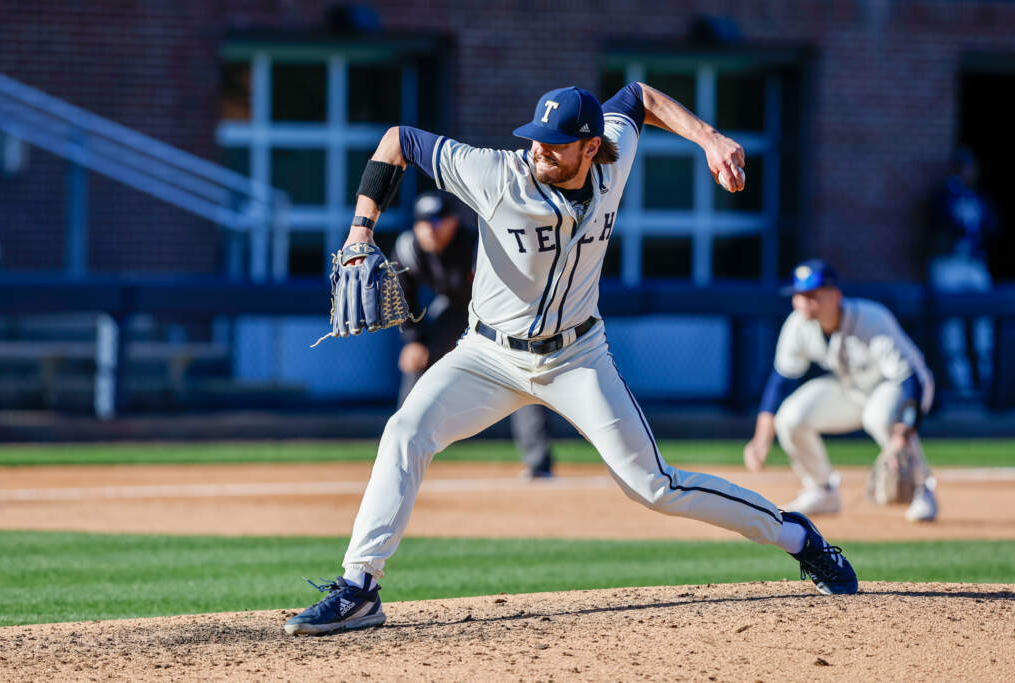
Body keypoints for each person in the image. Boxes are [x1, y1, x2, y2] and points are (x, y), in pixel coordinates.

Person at [285, 83, 858, 636]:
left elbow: (639, 96)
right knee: (405, 430)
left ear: (590, 147)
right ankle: (359, 586)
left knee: (653, 487)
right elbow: (398, 140)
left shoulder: (614, 156)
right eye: (535, 137)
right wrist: (361, 231)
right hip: (486, 356)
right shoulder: (495, 173)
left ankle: (796, 538)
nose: (539, 149)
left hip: (578, 358)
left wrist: (708, 138)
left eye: (555, 143)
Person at [743, 259, 938, 523]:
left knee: (878, 417)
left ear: (835, 295)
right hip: (852, 389)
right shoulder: (798, 325)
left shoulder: (871, 318)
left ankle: (922, 490)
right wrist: (761, 439)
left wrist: (902, 433)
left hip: (900, 388)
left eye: (812, 295)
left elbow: (910, 380)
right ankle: (822, 490)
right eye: (799, 295)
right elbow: (781, 382)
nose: (803, 302)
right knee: (790, 417)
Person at [394, 190, 554, 478]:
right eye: (423, 222)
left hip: (499, 314)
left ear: (454, 222)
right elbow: (402, 297)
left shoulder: (477, 246)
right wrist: (413, 340)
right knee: (417, 359)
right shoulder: (409, 249)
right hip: (454, 309)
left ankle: (538, 463)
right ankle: (401, 455)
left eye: (438, 220)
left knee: (520, 375)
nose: (430, 228)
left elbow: (512, 288)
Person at [928, 146, 999, 397]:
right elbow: (939, 223)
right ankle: (960, 382)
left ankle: (985, 377)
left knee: (984, 320)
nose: (968, 172)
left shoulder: (978, 198)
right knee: (952, 325)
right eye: (963, 167)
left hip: (973, 263)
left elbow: (992, 227)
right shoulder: (943, 195)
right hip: (949, 264)